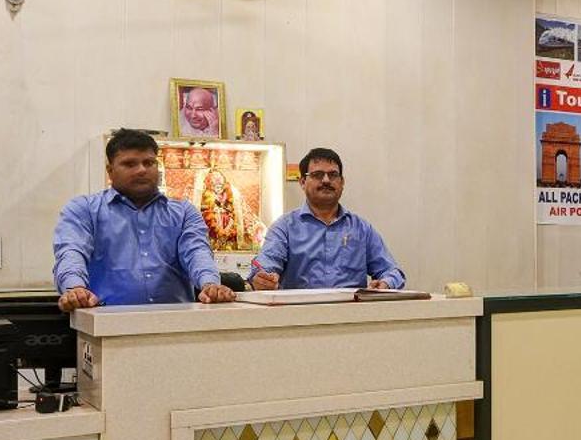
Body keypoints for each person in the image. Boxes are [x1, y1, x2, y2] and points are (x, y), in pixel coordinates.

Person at [54, 129, 237, 309]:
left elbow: (197, 251)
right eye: (129, 164)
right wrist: (75, 288)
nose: (142, 170)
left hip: (177, 322)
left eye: (149, 163)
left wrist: (210, 284)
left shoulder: (183, 212)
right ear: (110, 171)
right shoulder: (84, 210)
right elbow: (71, 252)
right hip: (106, 322)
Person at [249, 147, 405, 290]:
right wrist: (262, 279)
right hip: (300, 311)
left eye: (333, 175)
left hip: (351, 310)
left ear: (342, 182)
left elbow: (392, 272)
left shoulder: (361, 229)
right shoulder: (285, 228)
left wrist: (386, 283)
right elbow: (264, 268)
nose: (326, 180)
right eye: (317, 175)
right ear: (302, 182)